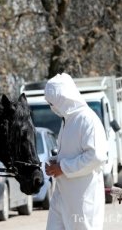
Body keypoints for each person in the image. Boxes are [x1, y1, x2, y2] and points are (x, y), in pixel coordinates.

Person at [44, 73, 107, 230]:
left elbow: (96, 156)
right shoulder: (67, 121)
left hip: (82, 200)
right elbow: (72, 152)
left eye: (52, 102)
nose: (52, 107)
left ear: (63, 98)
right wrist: (56, 161)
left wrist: (62, 167)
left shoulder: (87, 120)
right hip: (62, 196)